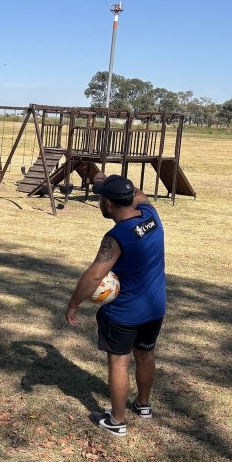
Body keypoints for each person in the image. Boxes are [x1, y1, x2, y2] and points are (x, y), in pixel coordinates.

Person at [66, 173, 166, 437]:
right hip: (155, 307)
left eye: (101, 198)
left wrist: (74, 303)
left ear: (108, 203)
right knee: (145, 354)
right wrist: (113, 179)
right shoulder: (151, 215)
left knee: (119, 363)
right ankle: (143, 405)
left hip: (125, 313)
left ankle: (117, 421)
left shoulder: (116, 236)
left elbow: (95, 276)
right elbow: (141, 193)